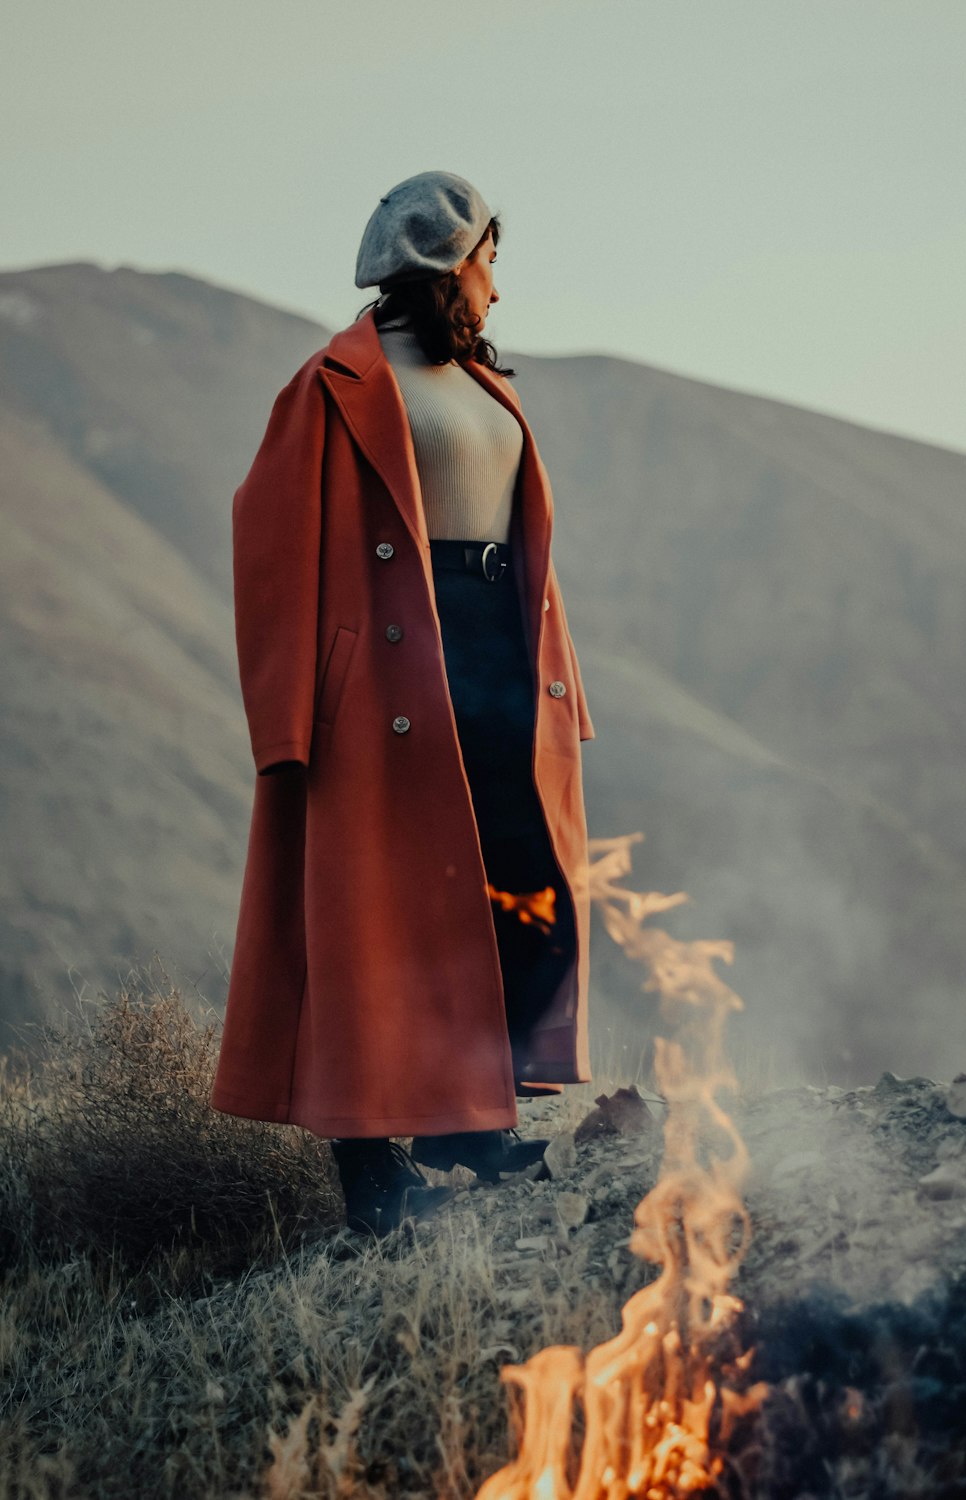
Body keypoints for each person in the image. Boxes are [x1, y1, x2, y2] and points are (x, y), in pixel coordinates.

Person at [210, 171, 596, 1237]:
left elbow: (525, 551)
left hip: (494, 659)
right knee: (374, 914)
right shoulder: (332, 383)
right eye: (488, 264)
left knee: (510, 882)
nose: (496, 291)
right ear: (443, 263)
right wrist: (291, 720)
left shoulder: (483, 384)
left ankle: (468, 1117)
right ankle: (372, 1174)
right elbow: (271, 549)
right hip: (383, 681)